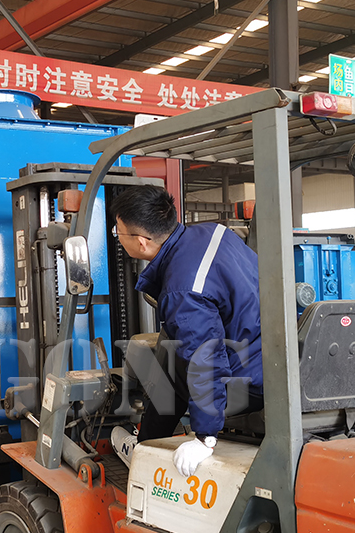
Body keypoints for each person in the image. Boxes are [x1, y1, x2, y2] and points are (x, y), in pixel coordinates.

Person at [109, 186, 263, 478]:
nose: (117, 238)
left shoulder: (182, 290)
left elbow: (205, 360)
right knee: (172, 350)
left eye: (119, 232)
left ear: (141, 242)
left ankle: (143, 453)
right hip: (267, 353)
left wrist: (205, 438)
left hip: (250, 381)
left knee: (169, 369)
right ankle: (148, 444)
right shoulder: (215, 233)